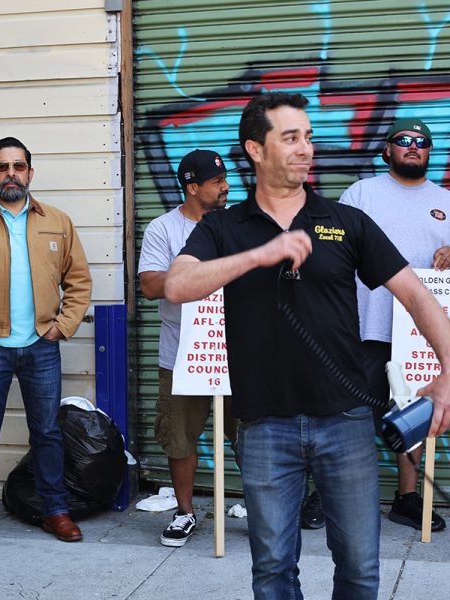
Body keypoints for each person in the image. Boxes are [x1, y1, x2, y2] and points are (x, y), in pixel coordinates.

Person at [164, 92, 450, 600]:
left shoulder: (344, 221)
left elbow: (416, 294)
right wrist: (262, 254)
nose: (306, 148)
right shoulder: (224, 227)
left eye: (309, 136)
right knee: (273, 570)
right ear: (255, 149)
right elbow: (178, 285)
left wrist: (449, 372)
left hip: (346, 424)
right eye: (290, 137)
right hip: (263, 426)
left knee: (360, 568)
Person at [0, 136, 92, 546]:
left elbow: (78, 281)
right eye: (2, 167)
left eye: (18, 166)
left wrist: (62, 326)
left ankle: (55, 510)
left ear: (29, 173)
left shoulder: (56, 221)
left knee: (47, 433)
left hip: (42, 345)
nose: (11, 174)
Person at [339, 118, 448, 532]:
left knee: (413, 415)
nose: (414, 146)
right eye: (404, 140)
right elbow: (334, 247)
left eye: (422, 141)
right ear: (388, 149)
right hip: (366, 326)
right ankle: (333, 494)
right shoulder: (363, 192)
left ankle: (406, 497)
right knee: (349, 414)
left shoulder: (445, 201)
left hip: (419, 334)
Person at [138, 149, 238, 546]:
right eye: (216, 182)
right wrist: (193, 274)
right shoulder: (164, 229)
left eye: (224, 178)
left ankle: (264, 510)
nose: (224, 186)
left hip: (238, 353)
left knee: (250, 433)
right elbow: (148, 285)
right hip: (181, 354)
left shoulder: (241, 224)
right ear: (192, 187)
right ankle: (185, 513)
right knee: (179, 438)